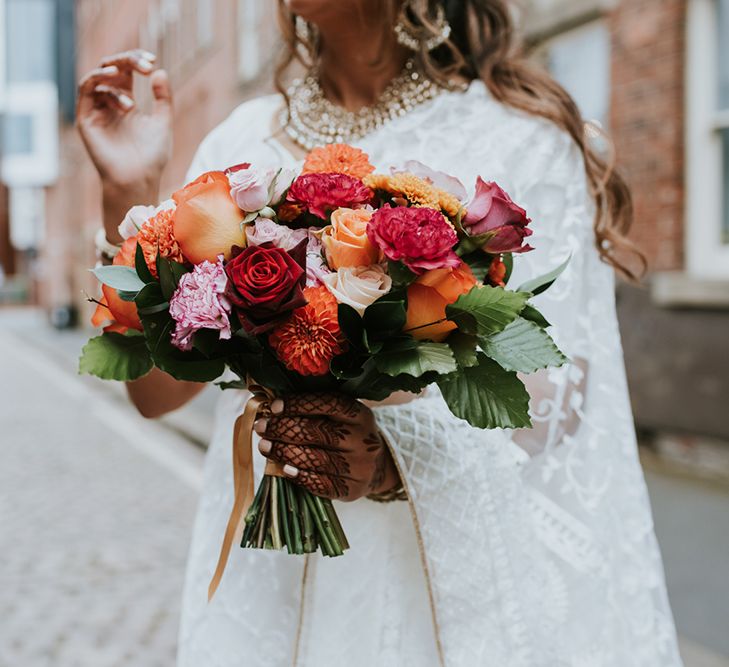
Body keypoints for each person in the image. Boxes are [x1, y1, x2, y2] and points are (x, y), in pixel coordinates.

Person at [76, 1, 684, 665]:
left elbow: (560, 394)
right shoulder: (238, 143)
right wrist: (127, 193)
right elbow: (155, 395)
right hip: (264, 594)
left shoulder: (518, 138)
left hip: (419, 591)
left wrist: (399, 460)